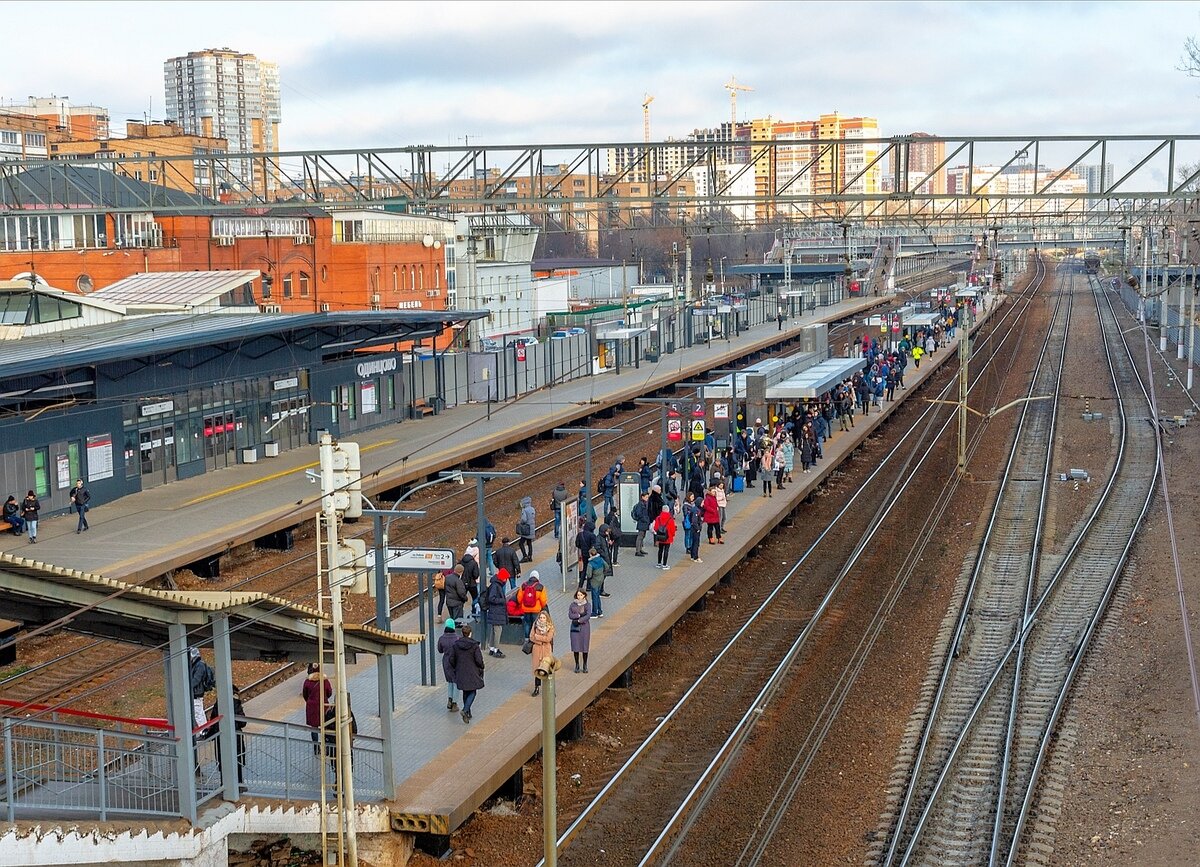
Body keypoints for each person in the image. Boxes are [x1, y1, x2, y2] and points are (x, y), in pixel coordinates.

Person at [209, 685, 247, 788]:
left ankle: (224, 784)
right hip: (235, 737)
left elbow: (213, 720)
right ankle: (239, 784)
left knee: (223, 760)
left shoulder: (218, 704)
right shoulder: (236, 703)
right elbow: (243, 722)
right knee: (237, 759)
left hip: (221, 737)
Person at [448, 624, 485, 724]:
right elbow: (478, 660)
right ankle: (465, 710)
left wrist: (456, 667)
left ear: (462, 633)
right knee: (473, 691)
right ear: (470, 634)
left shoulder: (456, 645)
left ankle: (468, 713)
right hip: (472, 671)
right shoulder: (474, 646)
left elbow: (451, 659)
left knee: (465, 691)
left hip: (461, 671)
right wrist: (481, 666)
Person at [303, 662, 332, 754]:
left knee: (314, 728)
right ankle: (327, 748)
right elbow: (329, 692)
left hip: (312, 707)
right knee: (326, 727)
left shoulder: (307, 682)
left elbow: (305, 695)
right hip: (324, 706)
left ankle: (316, 749)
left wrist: (310, 700)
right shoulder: (325, 681)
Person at [188, 647, 216, 731]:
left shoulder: (199, 665)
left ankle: (204, 730)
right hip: (195, 692)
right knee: (199, 712)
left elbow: (196, 680)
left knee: (198, 713)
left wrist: (188, 687)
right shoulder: (196, 665)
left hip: (197, 693)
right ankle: (204, 729)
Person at [484, 569, 510, 658]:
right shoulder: (496, 586)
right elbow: (492, 598)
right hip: (497, 611)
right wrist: (503, 600)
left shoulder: (495, 584)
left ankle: (491, 648)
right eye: (506, 578)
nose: (506, 580)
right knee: (498, 630)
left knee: (493, 631)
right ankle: (496, 650)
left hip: (495, 611)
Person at [530, 610, 556, 697]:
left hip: (546, 651)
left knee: (547, 669)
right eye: (540, 617)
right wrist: (541, 640)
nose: (542, 619)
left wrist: (538, 637)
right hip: (537, 650)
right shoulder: (535, 625)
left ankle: (550, 689)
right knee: (537, 670)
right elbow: (531, 637)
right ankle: (536, 688)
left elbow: (548, 639)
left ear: (547, 619)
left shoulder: (550, 627)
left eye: (544, 618)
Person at [517, 569, 548, 639]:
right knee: (536, 624)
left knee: (527, 623)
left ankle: (527, 639)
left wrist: (522, 604)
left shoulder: (523, 585)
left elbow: (519, 598)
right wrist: (542, 607)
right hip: (536, 610)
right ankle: (535, 638)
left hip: (526, 609)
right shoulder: (540, 587)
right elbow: (543, 600)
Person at [438, 618, 460, 712]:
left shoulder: (441, 638)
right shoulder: (457, 638)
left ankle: (449, 700)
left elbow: (440, 650)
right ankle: (455, 703)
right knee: (456, 683)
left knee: (450, 681)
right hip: (456, 662)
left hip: (446, 661)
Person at [568, 589, 592, 674]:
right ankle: (577, 664)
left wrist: (579, 620)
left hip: (584, 628)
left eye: (581, 595)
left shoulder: (587, 605)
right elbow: (570, 615)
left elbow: (588, 615)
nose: (579, 597)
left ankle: (585, 664)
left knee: (585, 646)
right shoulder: (572, 604)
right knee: (576, 646)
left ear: (584, 595)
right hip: (575, 628)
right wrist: (578, 615)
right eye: (578, 595)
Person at [651, 505, 676, 570]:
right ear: (668, 510)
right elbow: (673, 529)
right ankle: (664, 564)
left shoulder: (658, 518)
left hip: (660, 537)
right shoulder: (670, 519)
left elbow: (655, 528)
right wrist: (672, 535)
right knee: (666, 550)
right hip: (668, 537)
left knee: (660, 550)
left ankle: (659, 563)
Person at [585, 547, 607, 618]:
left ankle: (595, 613)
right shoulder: (600, 559)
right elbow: (606, 566)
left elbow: (589, 575)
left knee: (594, 597)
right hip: (601, 580)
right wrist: (602, 573)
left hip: (594, 581)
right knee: (598, 596)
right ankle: (600, 612)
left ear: (591, 554)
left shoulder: (590, 564)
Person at [681, 491, 702, 563]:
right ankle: (688, 547)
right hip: (688, 523)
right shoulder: (686, 505)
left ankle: (690, 548)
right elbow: (686, 514)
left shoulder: (693, 504)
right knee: (688, 535)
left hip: (691, 523)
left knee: (691, 536)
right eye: (692, 497)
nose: (693, 498)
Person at [516, 496, 536, 562]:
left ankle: (525, 556)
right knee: (529, 543)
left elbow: (524, 519)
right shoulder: (532, 509)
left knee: (521, 543)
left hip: (526, 529)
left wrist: (520, 522)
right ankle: (530, 556)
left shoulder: (524, 510)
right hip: (531, 528)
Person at [632, 491, 651, 556]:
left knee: (642, 536)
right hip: (642, 523)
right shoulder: (640, 504)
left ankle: (640, 549)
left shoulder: (644, 503)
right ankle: (637, 551)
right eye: (646, 497)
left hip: (644, 523)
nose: (647, 498)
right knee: (640, 536)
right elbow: (639, 513)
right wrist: (645, 519)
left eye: (648, 497)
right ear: (642, 497)